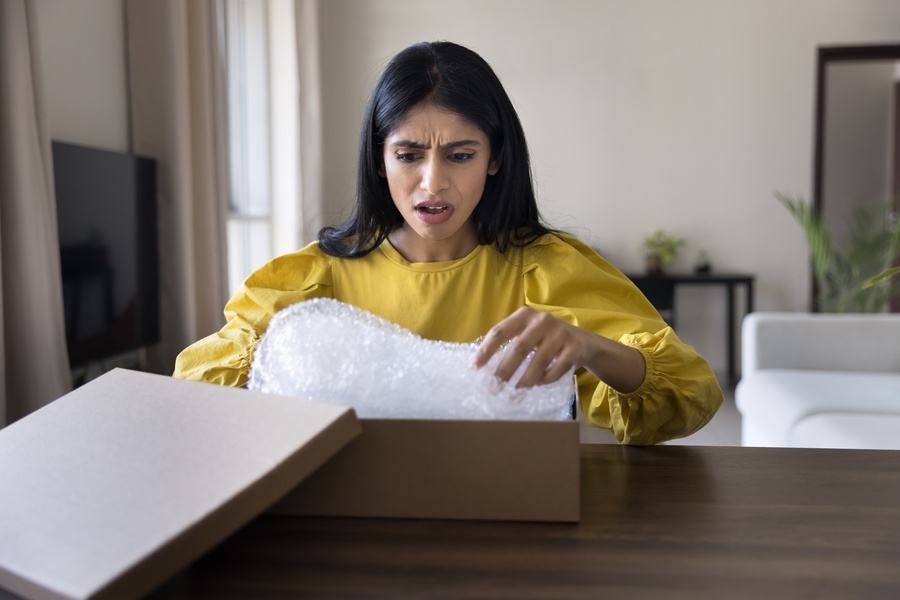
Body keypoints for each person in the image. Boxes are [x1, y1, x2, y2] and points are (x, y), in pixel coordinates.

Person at [174, 40, 723, 445]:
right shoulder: (314, 279)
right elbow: (194, 395)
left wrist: (586, 344)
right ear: (379, 159)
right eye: (408, 155)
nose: (432, 183)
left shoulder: (546, 269)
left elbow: (689, 396)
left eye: (459, 156)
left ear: (495, 159)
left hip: (510, 514)